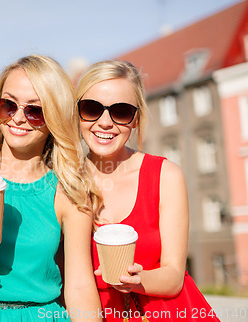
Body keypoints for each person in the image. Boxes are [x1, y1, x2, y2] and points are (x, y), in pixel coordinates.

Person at [0, 55, 102, 321]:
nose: (18, 118)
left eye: (34, 111)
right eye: (9, 105)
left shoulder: (68, 191)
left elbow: (80, 286)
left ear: (55, 118)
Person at [75, 60, 219, 321]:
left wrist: (137, 280)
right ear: (77, 114)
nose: (105, 122)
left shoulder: (165, 176)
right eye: (91, 108)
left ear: (136, 119)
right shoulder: (64, 181)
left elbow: (174, 275)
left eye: (120, 112)